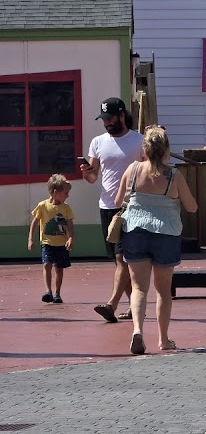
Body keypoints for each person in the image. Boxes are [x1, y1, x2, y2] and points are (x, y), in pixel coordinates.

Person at [114, 125, 198, 355]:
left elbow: (117, 200)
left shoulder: (132, 170)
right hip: (166, 234)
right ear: (166, 150)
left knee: (139, 287)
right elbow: (191, 207)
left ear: (145, 148)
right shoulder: (174, 175)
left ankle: (138, 331)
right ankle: (164, 338)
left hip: (135, 231)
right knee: (163, 290)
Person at [80, 97, 145, 323]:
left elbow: (150, 171)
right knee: (118, 261)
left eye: (109, 118)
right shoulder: (98, 142)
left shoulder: (139, 141)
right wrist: (85, 171)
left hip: (130, 207)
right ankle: (135, 305)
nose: (106, 123)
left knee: (122, 258)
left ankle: (111, 305)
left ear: (120, 116)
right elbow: (92, 177)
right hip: (106, 206)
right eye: (103, 119)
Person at [28, 174, 75, 304]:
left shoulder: (66, 208)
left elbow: (70, 224)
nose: (67, 196)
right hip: (47, 243)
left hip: (61, 244)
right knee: (47, 264)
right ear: (55, 192)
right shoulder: (43, 206)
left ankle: (57, 293)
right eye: (65, 193)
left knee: (59, 269)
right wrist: (30, 239)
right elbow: (35, 222)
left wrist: (70, 237)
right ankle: (48, 291)